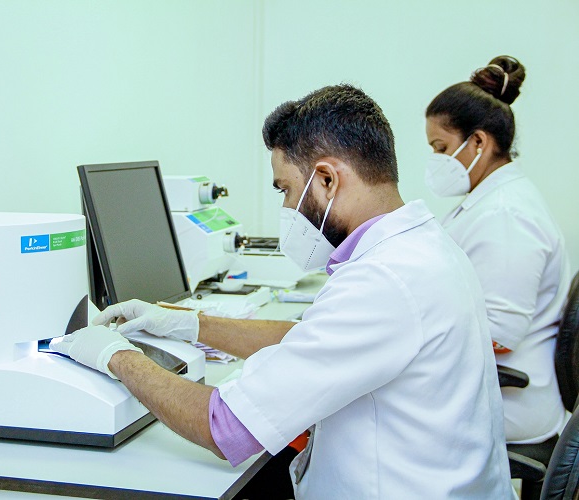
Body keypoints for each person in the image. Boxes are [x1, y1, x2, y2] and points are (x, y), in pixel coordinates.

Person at [51, 84, 512, 498]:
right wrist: (189, 323)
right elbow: (309, 337)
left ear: (328, 179)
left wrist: (114, 355)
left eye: (286, 189)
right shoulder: (419, 244)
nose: (288, 207)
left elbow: (225, 427)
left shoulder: (383, 280)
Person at [424, 55, 571, 457]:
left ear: (478, 142)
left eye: (441, 147)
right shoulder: (490, 200)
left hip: (509, 402)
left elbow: (499, 335)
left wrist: (411, 337)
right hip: (485, 387)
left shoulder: (508, 214)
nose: (435, 160)